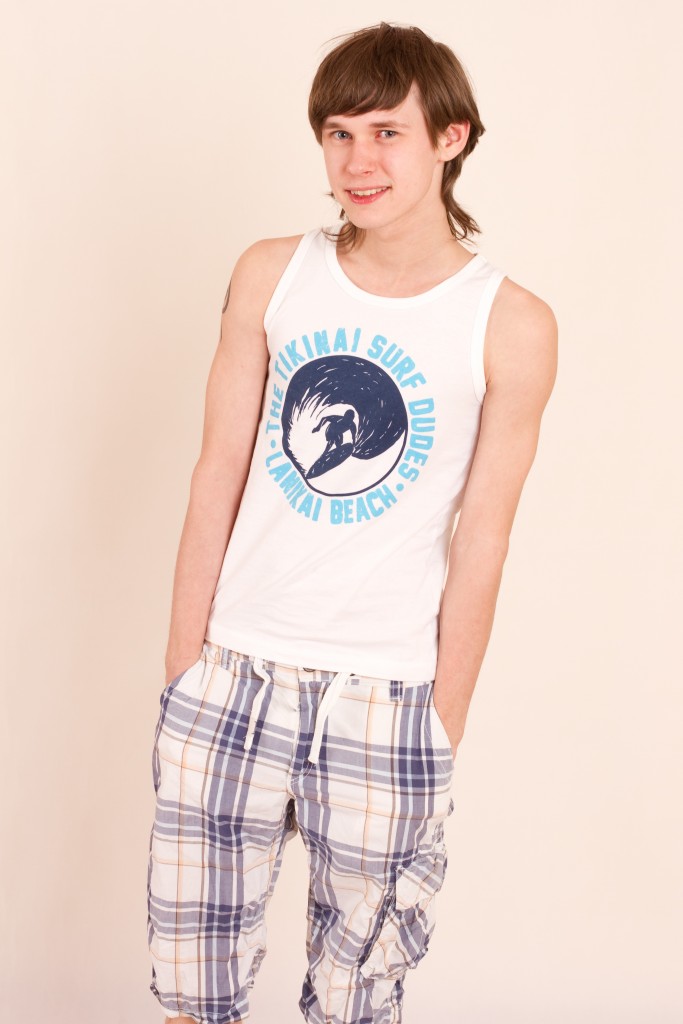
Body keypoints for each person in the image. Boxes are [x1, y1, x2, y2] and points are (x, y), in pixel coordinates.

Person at [146, 21, 558, 1024]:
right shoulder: (271, 273)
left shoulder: (509, 323)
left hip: (387, 695)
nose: (357, 161)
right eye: (337, 134)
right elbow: (216, 472)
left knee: (357, 996)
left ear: (449, 139)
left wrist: (439, 720)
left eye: (385, 132)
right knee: (191, 985)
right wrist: (185, 668)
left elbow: (485, 536)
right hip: (233, 672)